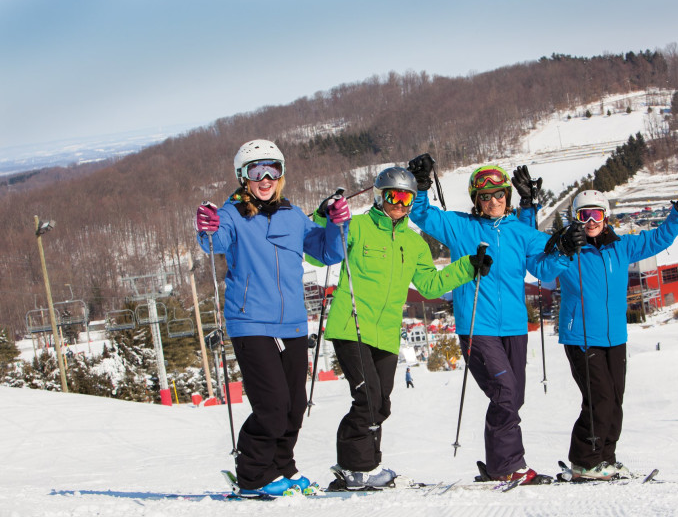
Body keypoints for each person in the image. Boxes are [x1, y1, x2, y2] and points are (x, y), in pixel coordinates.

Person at [313, 166, 492, 489]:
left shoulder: (413, 242)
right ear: (380, 196)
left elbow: (429, 285)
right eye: (392, 195)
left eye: (406, 197)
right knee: (367, 398)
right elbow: (319, 253)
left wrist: (468, 267)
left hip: (386, 332)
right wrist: (325, 216)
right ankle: (355, 466)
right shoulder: (357, 227)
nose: (399, 203)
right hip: (350, 326)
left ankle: (369, 464)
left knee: (381, 402)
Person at [194, 139, 351, 496]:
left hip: (293, 322)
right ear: (243, 177)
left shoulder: (294, 216)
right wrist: (206, 226)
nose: (265, 179)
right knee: (272, 404)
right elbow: (214, 242)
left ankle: (282, 467)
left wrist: (335, 223)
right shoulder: (232, 215)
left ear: (281, 174)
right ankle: (253, 476)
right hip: (250, 322)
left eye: (272, 170)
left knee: (294, 406)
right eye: (256, 171)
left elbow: (328, 253)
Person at [407, 154, 559, 485]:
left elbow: (545, 267)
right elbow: (422, 214)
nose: (493, 201)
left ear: (508, 195)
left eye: (500, 194)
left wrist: (565, 246)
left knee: (513, 397)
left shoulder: (520, 230)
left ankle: (499, 464)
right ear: (477, 200)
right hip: (478, 325)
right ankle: (509, 466)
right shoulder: (463, 227)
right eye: (485, 196)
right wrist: (420, 186)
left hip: (516, 327)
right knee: (505, 391)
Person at [542, 174, 678, 480]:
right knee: (599, 398)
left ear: (606, 216)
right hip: (581, 336)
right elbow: (544, 272)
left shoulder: (622, 247)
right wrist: (561, 249)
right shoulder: (567, 251)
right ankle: (584, 460)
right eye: (583, 215)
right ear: (576, 219)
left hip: (615, 336)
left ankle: (606, 457)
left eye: (596, 214)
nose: (590, 221)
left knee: (615, 399)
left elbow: (659, 239)